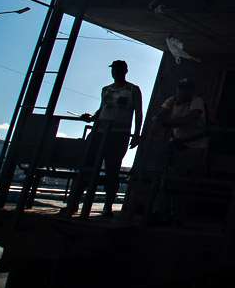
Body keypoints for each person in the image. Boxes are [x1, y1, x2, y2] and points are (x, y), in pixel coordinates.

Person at [64, 59, 143, 217]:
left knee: (112, 170)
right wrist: (92, 117)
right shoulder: (106, 89)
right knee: (87, 166)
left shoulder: (133, 90)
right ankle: (73, 204)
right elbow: (102, 109)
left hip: (119, 134)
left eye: (118, 69)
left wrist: (136, 134)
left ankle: (107, 206)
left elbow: (138, 113)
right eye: (113, 69)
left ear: (125, 71)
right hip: (99, 132)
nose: (115, 72)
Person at [152, 78, 209, 222]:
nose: (183, 91)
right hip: (177, 144)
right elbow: (159, 116)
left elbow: (190, 119)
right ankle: (161, 211)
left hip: (194, 146)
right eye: (181, 88)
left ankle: (179, 215)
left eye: (187, 88)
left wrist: (166, 123)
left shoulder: (197, 101)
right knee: (165, 178)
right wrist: (160, 122)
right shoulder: (171, 100)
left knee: (184, 181)